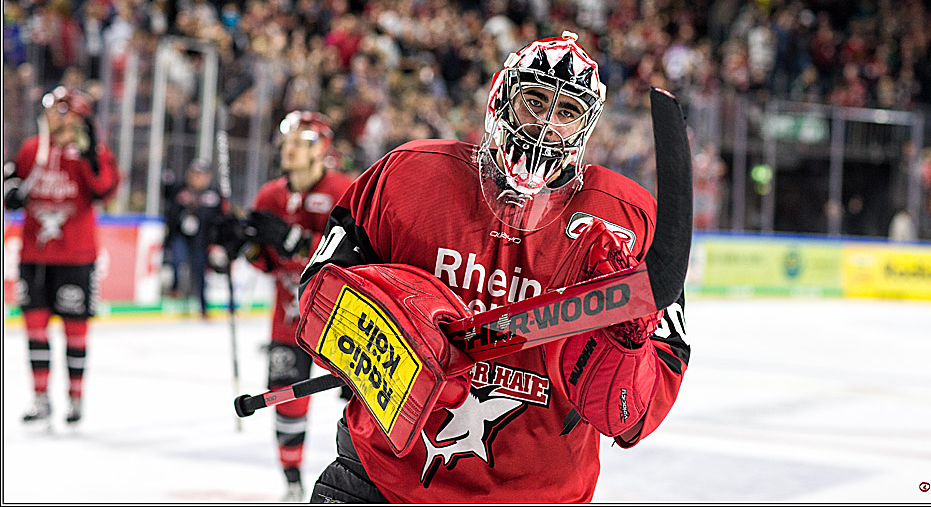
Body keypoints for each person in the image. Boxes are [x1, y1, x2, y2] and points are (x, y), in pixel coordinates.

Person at [296, 32, 690, 503]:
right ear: (502, 96)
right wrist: (387, 346)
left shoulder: (627, 219)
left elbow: (640, 413)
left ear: (586, 126)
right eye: (536, 100)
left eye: (566, 112)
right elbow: (318, 296)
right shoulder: (408, 175)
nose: (546, 124)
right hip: (382, 481)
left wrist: (624, 351)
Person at [230, 111, 354, 502]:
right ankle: (291, 481)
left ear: (321, 149)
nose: (289, 149)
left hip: (345, 320)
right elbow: (267, 261)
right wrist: (243, 245)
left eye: (300, 142)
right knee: (286, 396)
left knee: (365, 408)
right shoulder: (270, 195)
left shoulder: (343, 190)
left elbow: (357, 255)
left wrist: (297, 240)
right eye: (286, 142)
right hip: (289, 319)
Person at [3, 86, 121, 427]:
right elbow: (14, 185)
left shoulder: (91, 152)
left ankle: (75, 397)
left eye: (61, 110)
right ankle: (40, 397)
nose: (53, 117)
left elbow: (105, 190)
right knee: (35, 328)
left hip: (75, 257)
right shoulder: (31, 149)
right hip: (35, 255)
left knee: (75, 330)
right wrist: (10, 191)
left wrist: (89, 155)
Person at [161, 158, 224, 318]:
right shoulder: (181, 190)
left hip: (201, 241)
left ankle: (203, 307)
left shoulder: (213, 194)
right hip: (181, 236)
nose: (198, 178)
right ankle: (175, 289)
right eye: (195, 174)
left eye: (201, 175)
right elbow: (170, 211)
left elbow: (219, 219)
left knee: (199, 273)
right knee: (177, 259)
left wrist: (215, 241)